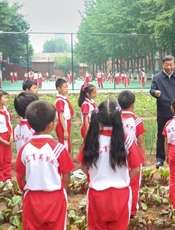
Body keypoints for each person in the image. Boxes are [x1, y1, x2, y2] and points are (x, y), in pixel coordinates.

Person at [77, 98, 145, 229]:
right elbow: (136, 169)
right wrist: (123, 178)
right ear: (119, 116)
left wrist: (95, 175)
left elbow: (83, 166)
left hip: (96, 195)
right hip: (121, 194)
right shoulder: (127, 141)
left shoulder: (91, 140)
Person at [14, 100, 75, 230]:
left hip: (32, 198)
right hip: (55, 198)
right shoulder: (59, 148)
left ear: (30, 124)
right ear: (51, 125)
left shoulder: (24, 149)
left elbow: (21, 176)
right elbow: (66, 177)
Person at [150, 55, 175, 169]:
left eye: (171, 65)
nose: (169, 67)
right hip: (163, 111)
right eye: (167, 65)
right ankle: (160, 159)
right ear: (163, 65)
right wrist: (155, 92)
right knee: (162, 136)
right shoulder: (157, 78)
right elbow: (152, 89)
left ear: (174, 64)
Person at [118, 90, 146, 218]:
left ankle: (121, 208)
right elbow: (140, 141)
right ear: (133, 105)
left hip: (117, 155)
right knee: (134, 183)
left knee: (119, 182)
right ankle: (132, 211)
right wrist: (142, 158)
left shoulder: (115, 119)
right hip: (133, 156)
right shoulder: (136, 121)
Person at [55, 78, 74, 154]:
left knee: (67, 144)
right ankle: (64, 163)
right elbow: (61, 116)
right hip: (64, 124)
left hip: (66, 123)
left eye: (67, 87)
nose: (67, 89)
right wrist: (65, 130)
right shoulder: (60, 101)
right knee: (65, 146)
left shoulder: (63, 99)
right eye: (65, 87)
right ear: (59, 89)